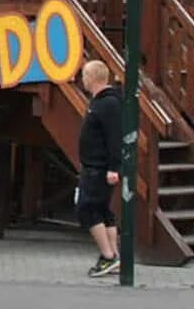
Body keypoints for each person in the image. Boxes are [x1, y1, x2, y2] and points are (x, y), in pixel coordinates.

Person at [78, 60, 122, 277]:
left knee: (86, 208)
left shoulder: (108, 104)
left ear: (93, 77)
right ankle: (114, 255)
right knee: (103, 210)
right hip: (93, 165)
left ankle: (108, 256)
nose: (82, 79)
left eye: (85, 75)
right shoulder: (99, 101)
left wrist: (114, 167)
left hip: (99, 166)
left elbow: (115, 138)